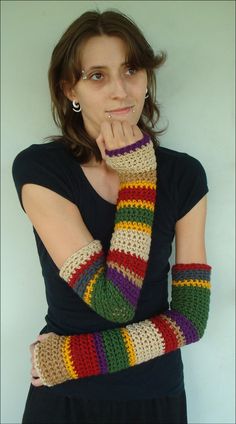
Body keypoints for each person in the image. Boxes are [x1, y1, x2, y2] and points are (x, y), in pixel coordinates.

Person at [12, 9, 211, 424]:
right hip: (67, 403)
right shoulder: (41, 170)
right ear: (71, 88)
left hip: (150, 396)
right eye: (97, 75)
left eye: (131, 70)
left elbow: (192, 319)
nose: (121, 91)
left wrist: (70, 359)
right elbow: (114, 301)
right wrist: (138, 177)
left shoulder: (184, 175)